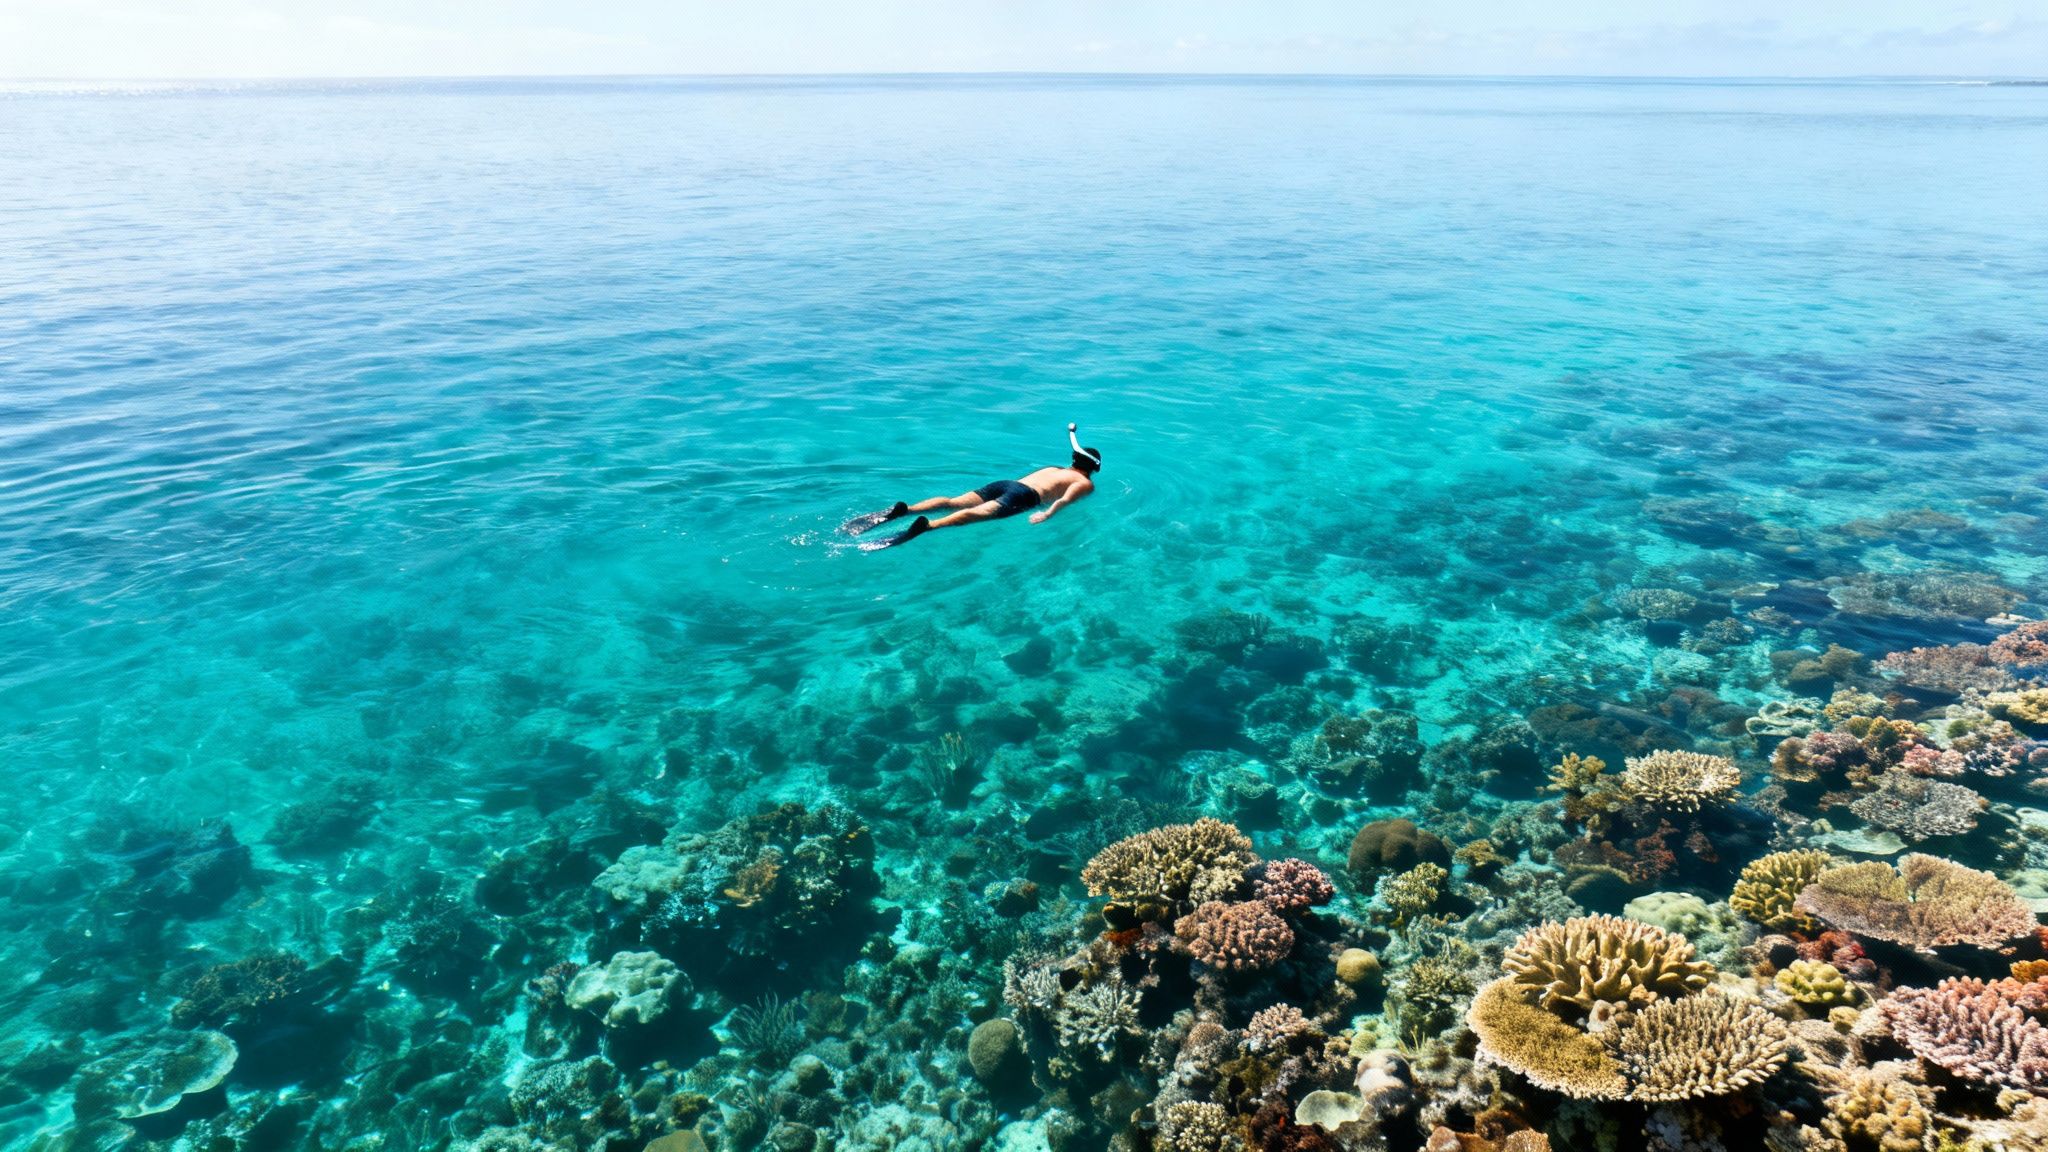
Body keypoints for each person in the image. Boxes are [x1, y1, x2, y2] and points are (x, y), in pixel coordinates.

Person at [844, 423, 1101, 549]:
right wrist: (1047, 514)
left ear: (1074, 459)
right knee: (976, 515)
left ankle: (907, 509)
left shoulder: (1053, 469)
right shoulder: (1084, 483)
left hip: (1007, 484)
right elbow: (1066, 499)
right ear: (1092, 468)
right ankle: (929, 525)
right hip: (1025, 496)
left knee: (954, 501)